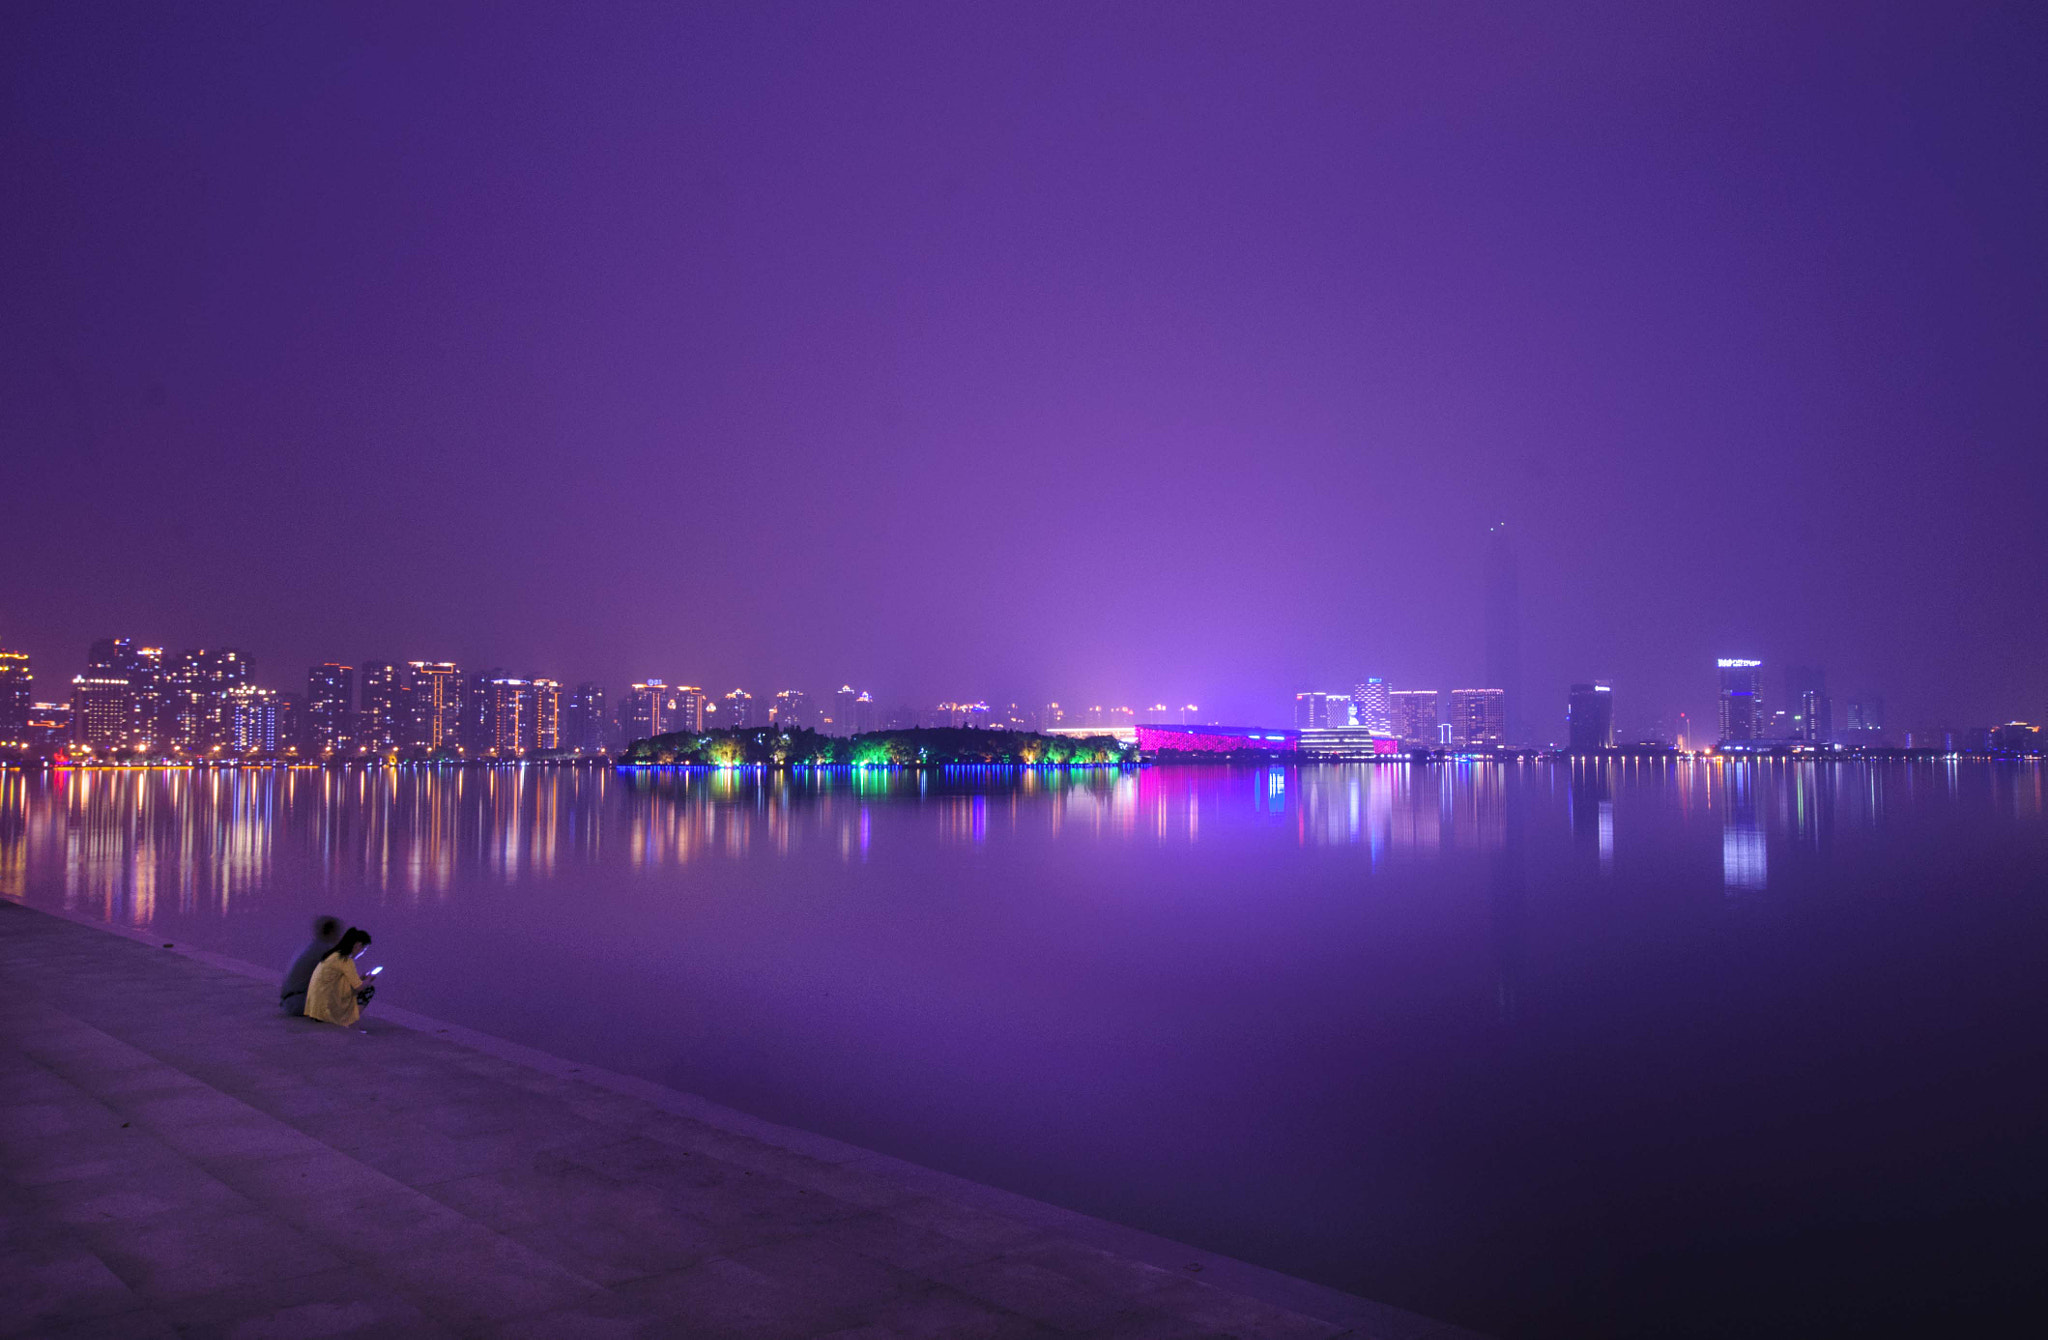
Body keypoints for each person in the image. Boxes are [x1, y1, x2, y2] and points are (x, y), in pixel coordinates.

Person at [305, 927, 376, 1028]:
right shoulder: (346, 960)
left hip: (315, 1009)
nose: (362, 953)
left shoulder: (333, 955)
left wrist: (361, 978)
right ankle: (348, 1019)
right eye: (363, 950)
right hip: (326, 1011)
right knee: (369, 990)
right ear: (358, 945)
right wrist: (368, 980)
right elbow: (359, 987)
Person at [279, 915, 343, 1016]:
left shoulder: (312, 947)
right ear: (331, 932)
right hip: (299, 1003)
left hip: (291, 1001)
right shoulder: (324, 950)